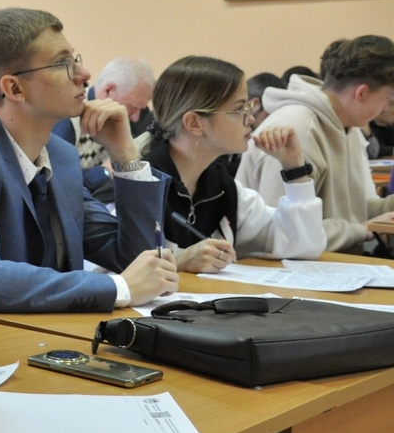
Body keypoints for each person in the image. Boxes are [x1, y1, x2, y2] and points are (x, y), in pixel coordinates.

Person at [0, 8, 177, 316]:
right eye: (63, 63)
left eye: (75, 59)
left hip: (53, 335)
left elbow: (138, 261)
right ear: (14, 88)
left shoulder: (61, 155)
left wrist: (125, 156)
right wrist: (117, 287)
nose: (84, 74)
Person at [139, 55, 324, 272]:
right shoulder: (140, 186)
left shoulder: (222, 187)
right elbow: (115, 274)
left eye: (249, 108)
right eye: (239, 109)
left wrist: (294, 167)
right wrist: (180, 262)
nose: (251, 118)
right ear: (195, 123)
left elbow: (303, 245)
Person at [237, 35, 394, 254]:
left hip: (329, 260)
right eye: (388, 99)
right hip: (280, 267)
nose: (386, 107)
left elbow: (350, 209)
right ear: (362, 93)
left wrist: (387, 208)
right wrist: (361, 230)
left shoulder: (345, 124)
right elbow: (281, 233)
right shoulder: (297, 129)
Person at [52, 57, 156, 199]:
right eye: (132, 107)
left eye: (140, 108)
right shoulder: (68, 118)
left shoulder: (131, 116)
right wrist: (105, 172)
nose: (136, 118)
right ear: (108, 90)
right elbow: (59, 184)